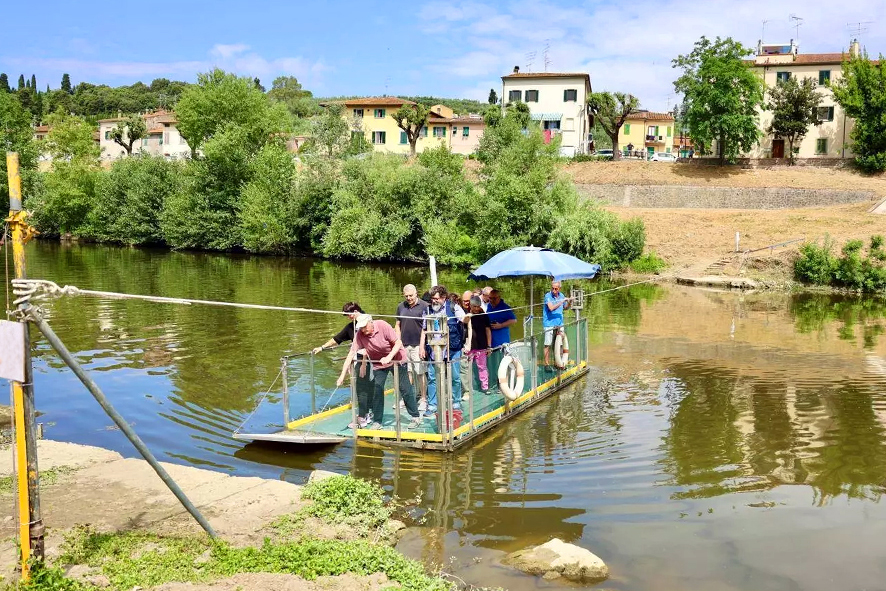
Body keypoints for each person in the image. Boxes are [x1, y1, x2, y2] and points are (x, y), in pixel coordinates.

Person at [336, 314, 421, 430]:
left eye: (365, 327)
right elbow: (351, 354)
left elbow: (398, 343)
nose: (364, 330)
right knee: (377, 389)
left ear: (371, 322)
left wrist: (389, 357)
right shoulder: (360, 335)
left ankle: (415, 416)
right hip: (379, 363)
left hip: (397, 359)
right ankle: (377, 421)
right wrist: (342, 375)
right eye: (361, 328)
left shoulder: (382, 325)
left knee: (404, 388)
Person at [313, 302, 374, 429]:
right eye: (347, 315)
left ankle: (365, 415)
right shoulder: (350, 327)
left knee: (365, 388)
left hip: (370, 359)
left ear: (356, 311)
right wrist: (322, 347)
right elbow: (337, 339)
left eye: (350, 314)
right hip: (358, 358)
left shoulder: (368, 321)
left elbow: (370, 342)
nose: (349, 317)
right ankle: (365, 413)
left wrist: (363, 362)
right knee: (361, 388)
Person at [419, 285, 467, 417]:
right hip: (434, 350)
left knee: (455, 377)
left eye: (436, 299)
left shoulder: (453, 307)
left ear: (444, 297)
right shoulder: (428, 310)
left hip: (452, 349)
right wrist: (422, 347)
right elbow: (424, 329)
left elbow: (464, 319)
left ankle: (456, 403)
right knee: (432, 378)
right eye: (432, 299)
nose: (434, 301)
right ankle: (433, 405)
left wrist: (468, 317)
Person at [395, 284, 429, 410]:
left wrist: (422, 347)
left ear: (416, 293)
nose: (409, 298)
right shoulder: (400, 306)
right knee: (407, 372)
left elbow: (425, 328)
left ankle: (423, 398)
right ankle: (408, 398)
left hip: (417, 344)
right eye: (406, 296)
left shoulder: (425, 306)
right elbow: (397, 324)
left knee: (420, 371)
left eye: (411, 295)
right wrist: (398, 342)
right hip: (404, 344)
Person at [486, 289, 517, 379]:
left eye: (494, 298)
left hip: (502, 340)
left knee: (502, 363)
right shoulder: (489, 306)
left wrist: (501, 325)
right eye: (490, 298)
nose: (492, 300)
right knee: (493, 363)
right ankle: (494, 381)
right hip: (491, 340)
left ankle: (504, 383)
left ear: (499, 298)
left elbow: (514, 320)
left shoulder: (505, 307)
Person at [466, 295, 491, 393]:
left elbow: (488, 330)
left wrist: (489, 346)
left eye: (478, 306)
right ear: (470, 306)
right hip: (470, 347)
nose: (476, 308)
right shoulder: (467, 316)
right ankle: (468, 389)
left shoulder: (484, 316)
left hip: (481, 346)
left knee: (482, 367)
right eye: (474, 306)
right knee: (467, 367)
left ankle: (485, 387)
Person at [542, 280, 570, 368]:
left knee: (559, 344)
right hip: (549, 324)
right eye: (552, 288)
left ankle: (558, 363)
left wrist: (569, 302)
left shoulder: (561, 295)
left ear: (559, 288)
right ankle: (546, 364)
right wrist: (561, 301)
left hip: (559, 323)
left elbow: (565, 307)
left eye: (556, 289)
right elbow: (551, 308)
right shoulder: (548, 296)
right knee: (548, 344)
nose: (554, 290)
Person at [458, 290, 475, 400]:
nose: (466, 303)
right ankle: (464, 389)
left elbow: (471, 328)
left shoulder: (476, 310)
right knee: (462, 366)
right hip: (461, 341)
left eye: (468, 301)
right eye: (464, 301)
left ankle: (468, 391)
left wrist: (469, 343)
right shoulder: (459, 310)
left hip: (472, 341)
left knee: (466, 367)